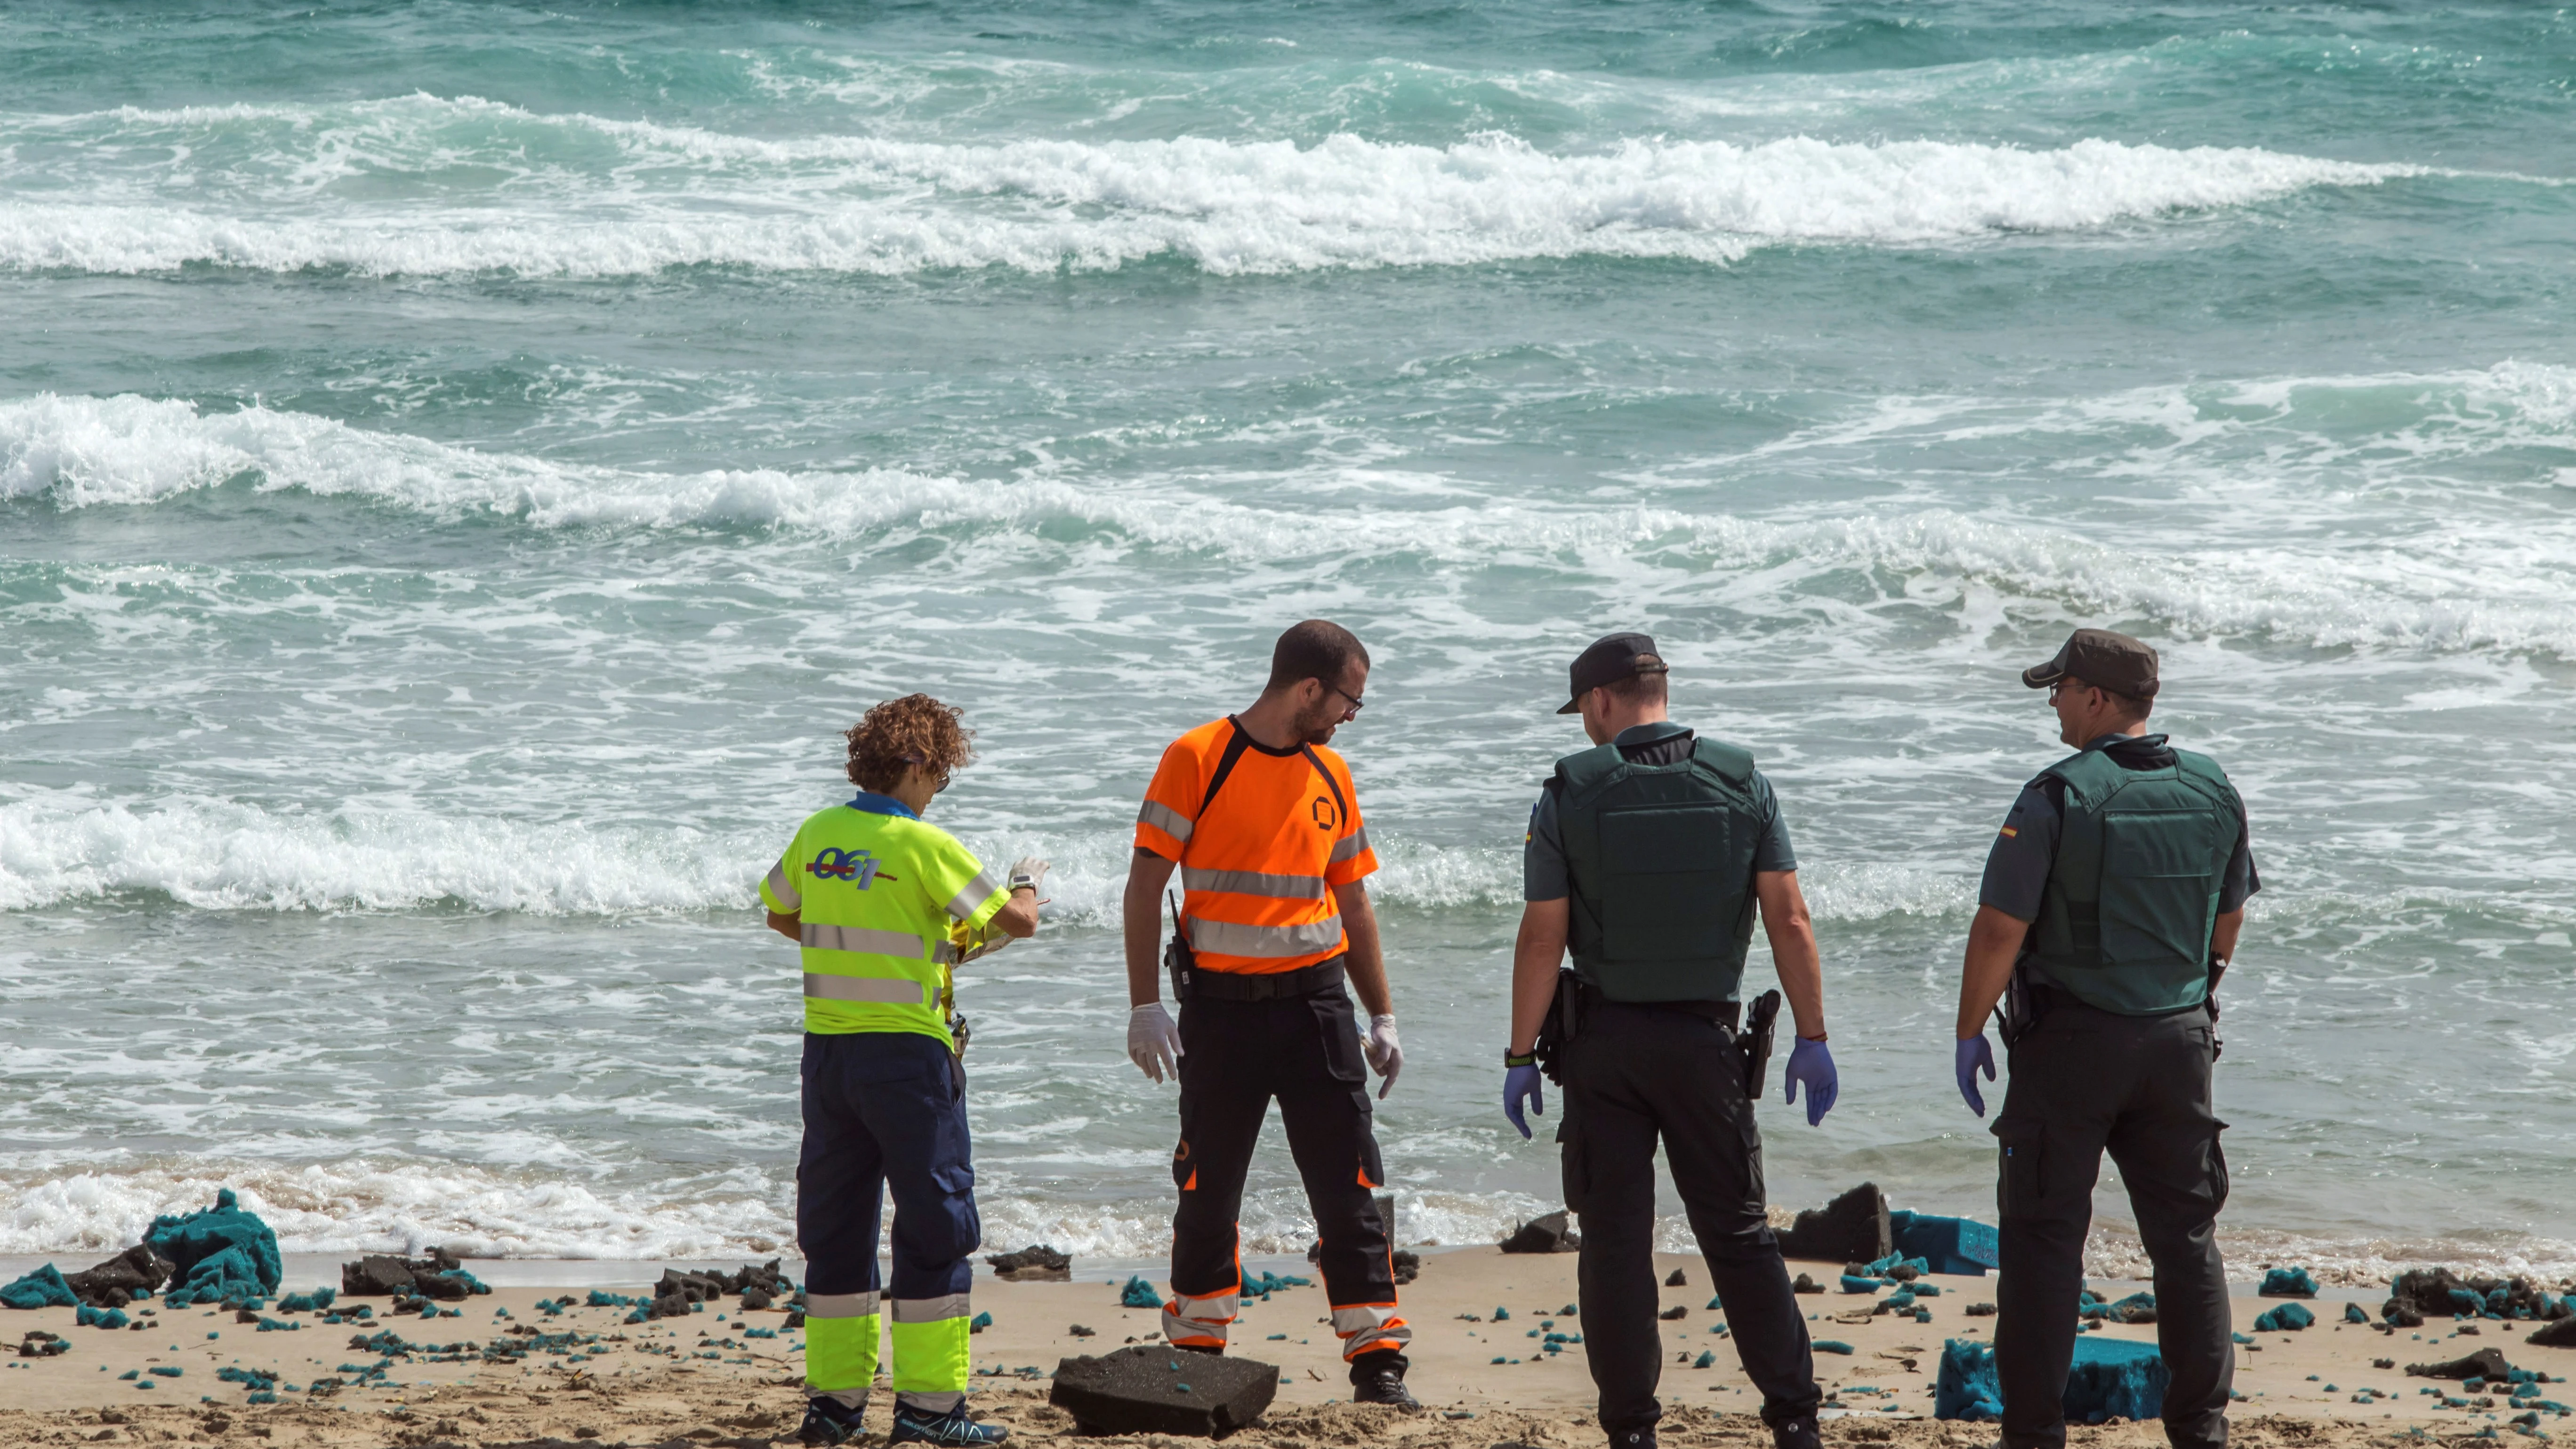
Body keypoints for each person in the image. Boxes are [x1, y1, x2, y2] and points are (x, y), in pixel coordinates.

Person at [1502, 631, 1836, 1449]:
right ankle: (1794, 1418)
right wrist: (1812, 1034)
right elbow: (1789, 918)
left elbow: (1543, 939)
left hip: (1605, 1047)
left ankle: (1632, 1432)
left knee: (1614, 1241)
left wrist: (1518, 1056)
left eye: (1584, 708)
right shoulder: (1741, 779)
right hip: (1705, 1046)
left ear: (1601, 700)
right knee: (1739, 1233)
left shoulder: (1568, 792)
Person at [1949, 628, 2257, 1449]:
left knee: (2046, 1243)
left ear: (2094, 697)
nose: (2051, 703)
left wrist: (1970, 1027)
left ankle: (2035, 1434)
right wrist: (2195, 992)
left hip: (2073, 1048)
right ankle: (2202, 1429)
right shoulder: (2214, 787)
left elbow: (1997, 929)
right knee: (2186, 1241)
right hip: (2179, 1044)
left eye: (2058, 689)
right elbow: (2228, 917)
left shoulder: (2056, 795)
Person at [1121, 619, 1417, 1408]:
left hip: (1318, 1009)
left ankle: (1378, 1361)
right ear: (1310, 688)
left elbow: (1353, 897)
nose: (1353, 714)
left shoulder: (1333, 772)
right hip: (1218, 1013)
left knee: (1349, 1182)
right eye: (1350, 698)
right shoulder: (1198, 757)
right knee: (1207, 1186)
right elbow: (1145, 883)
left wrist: (1382, 1014)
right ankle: (1198, 1347)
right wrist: (1145, 1004)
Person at [758, 694, 1048, 1448]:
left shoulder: (819, 832)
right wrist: (1026, 880)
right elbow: (1016, 922)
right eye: (940, 774)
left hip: (829, 1058)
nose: (940, 790)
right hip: (911, 1064)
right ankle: (928, 1412)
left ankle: (834, 1408)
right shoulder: (926, 845)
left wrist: (882, 942)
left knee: (837, 1229)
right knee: (934, 1226)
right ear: (916, 763)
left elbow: (781, 912)